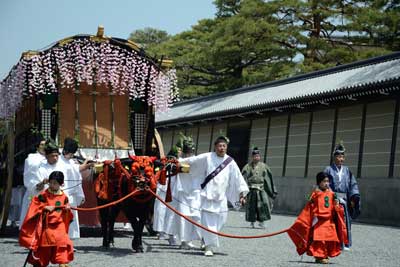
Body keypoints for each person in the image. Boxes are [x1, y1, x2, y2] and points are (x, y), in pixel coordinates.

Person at [179, 135, 249, 256]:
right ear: (215, 147)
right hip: (208, 197)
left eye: (224, 146)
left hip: (221, 198)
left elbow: (238, 178)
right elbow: (193, 161)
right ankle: (208, 247)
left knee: (220, 222)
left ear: (226, 147)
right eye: (219, 146)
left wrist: (242, 194)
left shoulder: (230, 162)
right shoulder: (207, 157)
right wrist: (178, 162)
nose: (222, 148)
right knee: (208, 224)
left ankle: (205, 240)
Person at [287, 172, 348, 264]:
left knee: (330, 239)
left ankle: (325, 254)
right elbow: (308, 204)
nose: (326, 183)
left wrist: (337, 206)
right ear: (319, 182)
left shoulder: (332, 194)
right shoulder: (315, 194)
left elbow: (336, 208)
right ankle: (319, 256)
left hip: (329, 221)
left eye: (328, 181)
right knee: (319, 240)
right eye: (324, 181)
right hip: (319, 222)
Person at [19, 171, 74, 267]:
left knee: (62, 243)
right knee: (44, 248)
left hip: (59, 225)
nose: (52, 185)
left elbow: (67, 213)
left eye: (55, 183)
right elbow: (34, 205)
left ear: (61, 184)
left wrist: (67, 209)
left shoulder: (64, 197)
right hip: (46, 224)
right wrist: (44, 208)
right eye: (51, 182)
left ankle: (63, 263)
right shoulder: (43, 195)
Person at [164, 134, 200, 250]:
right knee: (180, 218)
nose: (189, 153)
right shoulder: (177, 162)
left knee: (196, 217)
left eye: (191, 150)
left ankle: (191, 239)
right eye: (187, 150)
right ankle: (181, 239)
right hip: (180, 193)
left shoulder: (197, 160)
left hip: (194, 192)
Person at [324, 143, 361, 250]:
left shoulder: (347, 170)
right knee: (332, 221)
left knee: (345, 221)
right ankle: (333, 243)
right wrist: (334, 196)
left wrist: (353, 198)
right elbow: (325, 184)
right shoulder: (328, 169)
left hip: (345, 200)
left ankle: (345, 243)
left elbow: (353, 184)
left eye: (343, 157)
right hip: (333, 199)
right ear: (334, 157)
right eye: (339, 156)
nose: (341, 159)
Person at [59, 137, 90, 239]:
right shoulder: (58, 160)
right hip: (60, 194)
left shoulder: (71, 161)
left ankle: (69, 241)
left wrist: (85, 164)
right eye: (70, 153)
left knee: (71, 219)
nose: (71, 155)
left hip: (71, 195)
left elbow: (76, 169)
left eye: (72, 154)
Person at [241, 147, 277, 228]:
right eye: (255, 156)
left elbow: (268, 179)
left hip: (261, 189)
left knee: (263, 205)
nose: (256, 157)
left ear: (259, 157)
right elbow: (242, 177)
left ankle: (262, 221)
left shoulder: (264, 166)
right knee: (252, 206)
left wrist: (272, 190)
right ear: (252, 157)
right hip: (251, 189)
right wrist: (243, 190)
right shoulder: (247, 166)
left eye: (258, 156)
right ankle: (252, 222)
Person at [153, 145, 181, 245]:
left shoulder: (180, 162)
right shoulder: (163, 162)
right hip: (163, 186)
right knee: (160, 210)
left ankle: (171, 234)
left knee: (172, 212)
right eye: (178, 150)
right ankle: (160, 232)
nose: (180, 152)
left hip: (174, 188)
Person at [19, 136, 46, 229]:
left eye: (45, 145)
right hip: (33, 190)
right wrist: (35, 185)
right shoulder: (31, 158)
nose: (43, 146)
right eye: (42, 144)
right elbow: (28, 174)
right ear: (37, 146)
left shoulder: (51, 158)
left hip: (47, 192)